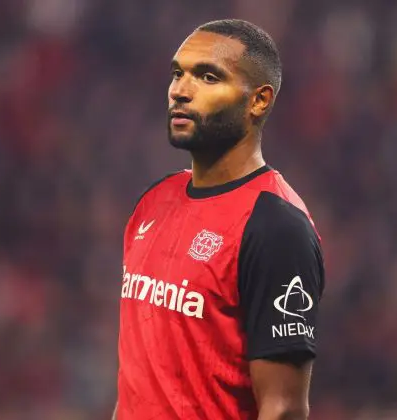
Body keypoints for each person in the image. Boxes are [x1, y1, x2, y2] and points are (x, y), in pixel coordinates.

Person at [114, 19, 325, 420]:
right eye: (177, 73)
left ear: (258, 101)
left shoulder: (276, 228)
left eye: (208, 77)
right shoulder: (152, 203)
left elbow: (283, 409)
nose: (180, 90)